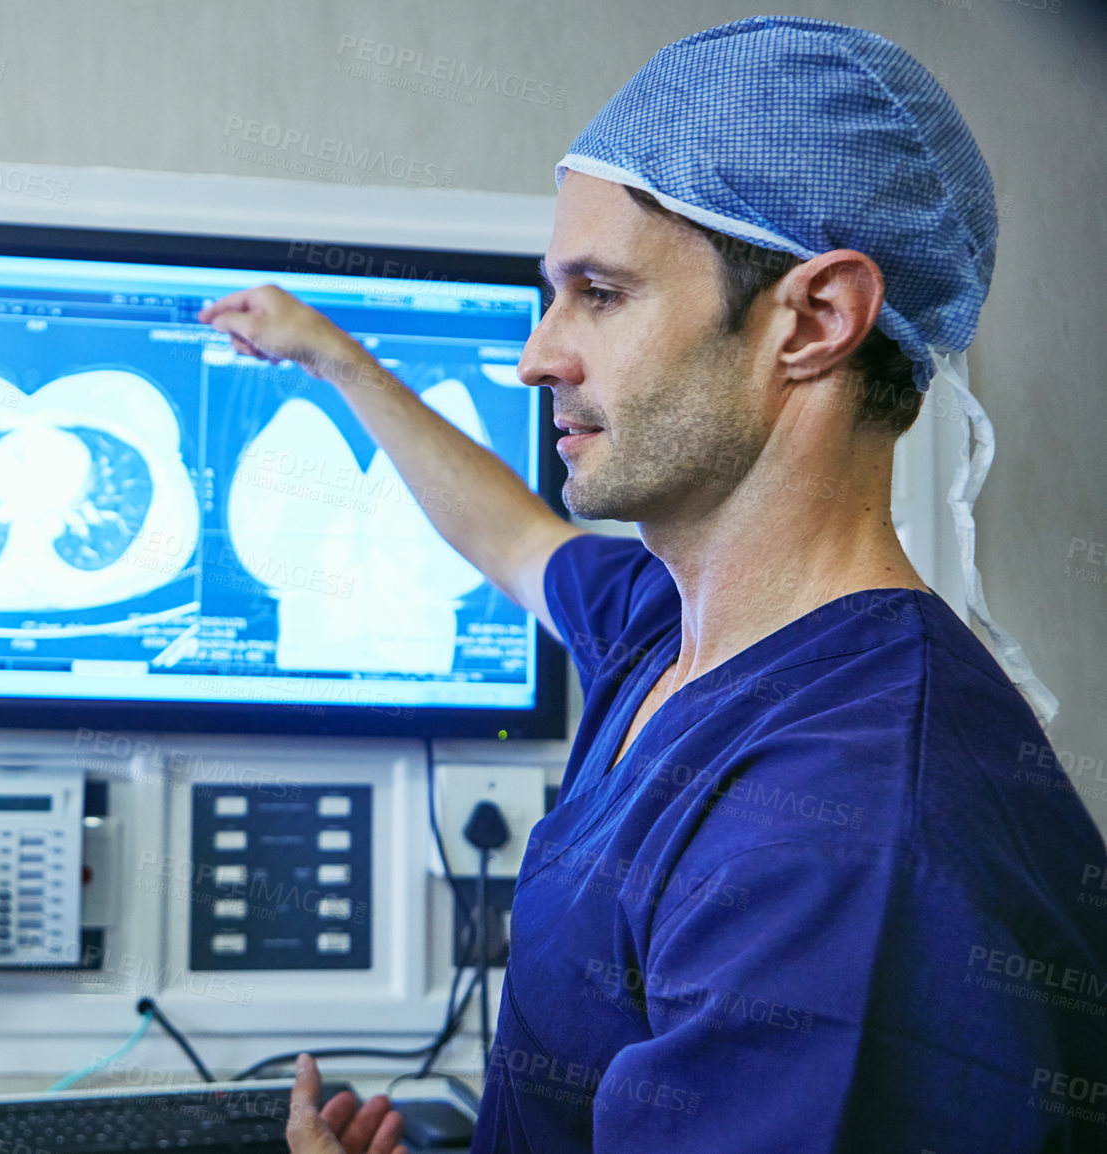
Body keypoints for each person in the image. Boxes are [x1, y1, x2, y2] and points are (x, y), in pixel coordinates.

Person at [205, 16, 1107, 1153]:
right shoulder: (672, 629)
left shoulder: (850, 837)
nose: (537, 353)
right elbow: (511, 537)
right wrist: (330, 355)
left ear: (817, 319)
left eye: (600, 292)